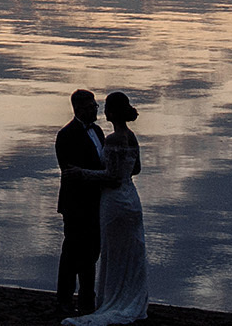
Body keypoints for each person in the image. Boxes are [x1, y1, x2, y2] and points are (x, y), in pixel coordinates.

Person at [64, 92, 147, 325]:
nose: (101, 110)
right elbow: (136, 169)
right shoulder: (132, 137)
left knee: (114, 252)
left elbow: (111, 177)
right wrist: (122, 171)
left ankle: (114, 299)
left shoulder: (111, 139)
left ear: (111, 112)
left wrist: (82, 173)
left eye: (104, 106)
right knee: (130, 252)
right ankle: (131, 297)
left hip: (114, 202)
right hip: (131, 199)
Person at [55, 89, 109, 315]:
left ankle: (87, 297)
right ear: (78, 109)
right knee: (72, 252)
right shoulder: (66, 135)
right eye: (91, 107)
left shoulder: (97, 131)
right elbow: (70, 171)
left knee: (92, 252)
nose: (95, 110)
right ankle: (65, 298)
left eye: (95, 106)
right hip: (76, 203)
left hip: (96, 201)